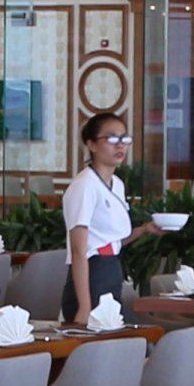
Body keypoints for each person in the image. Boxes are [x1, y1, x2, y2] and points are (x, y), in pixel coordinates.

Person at [60, 108, 137, 322]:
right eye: (111, 138)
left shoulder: (117, 184)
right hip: (91, 276)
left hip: (111, 269)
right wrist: (85, 307)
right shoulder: (84, 186)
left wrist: (146, 230)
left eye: (124, 139)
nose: (120, 145)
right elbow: (79, 250)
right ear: (92, 145)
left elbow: (110, 240)